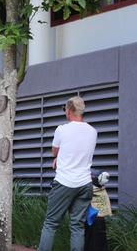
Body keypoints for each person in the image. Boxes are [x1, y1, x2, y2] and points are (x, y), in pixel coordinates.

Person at [38, 96, 97, 251]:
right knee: (77, 226)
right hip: (85, 184)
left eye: (65, 110)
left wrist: (58, 157)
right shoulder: (93, 131)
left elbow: (54, 151)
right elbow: (78, 151)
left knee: (50, 224)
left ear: (69, 110)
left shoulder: (62, 129)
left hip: (64, 183)